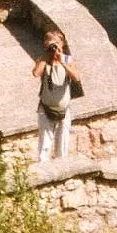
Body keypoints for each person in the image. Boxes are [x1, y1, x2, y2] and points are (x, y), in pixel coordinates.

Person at [32, 30, 81, 162]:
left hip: (64, 109)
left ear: (63, 44)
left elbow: (76, 77)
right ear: (45, 44)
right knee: (45, 145)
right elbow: (36, 73)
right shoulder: (43, 60)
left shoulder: (67, 59)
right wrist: (47, 56)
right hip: (46, 108)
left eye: (57, 43)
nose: (54, 46)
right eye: (51, 43)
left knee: (62, 146)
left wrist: (62, 60)